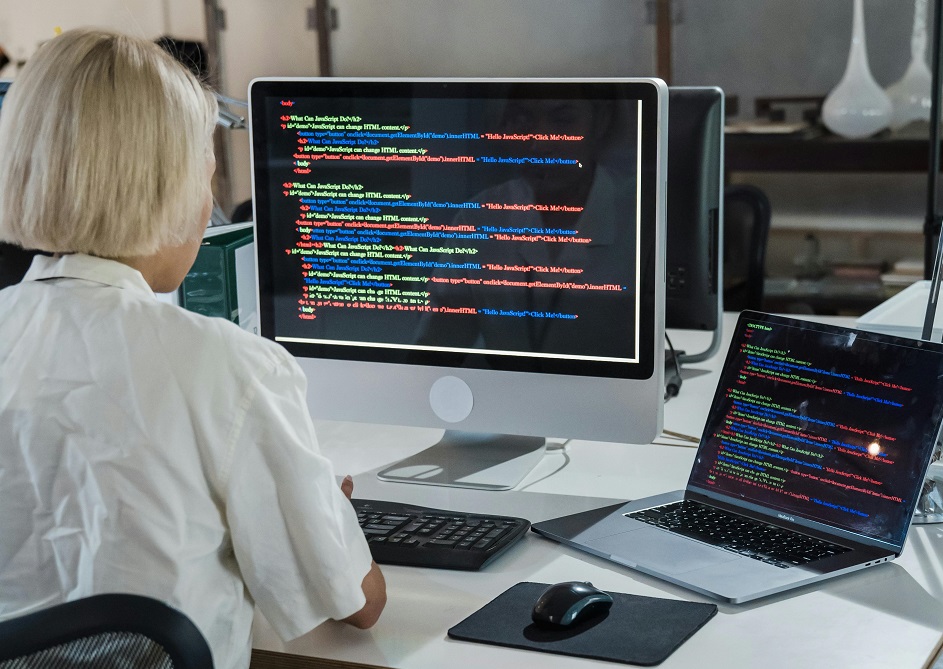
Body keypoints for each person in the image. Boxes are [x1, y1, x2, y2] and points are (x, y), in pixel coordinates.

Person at [0, 28, 385, 669]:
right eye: (206, 176)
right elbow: (357, 605)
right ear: (170, 188)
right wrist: (324, 513)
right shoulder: (228, 368)